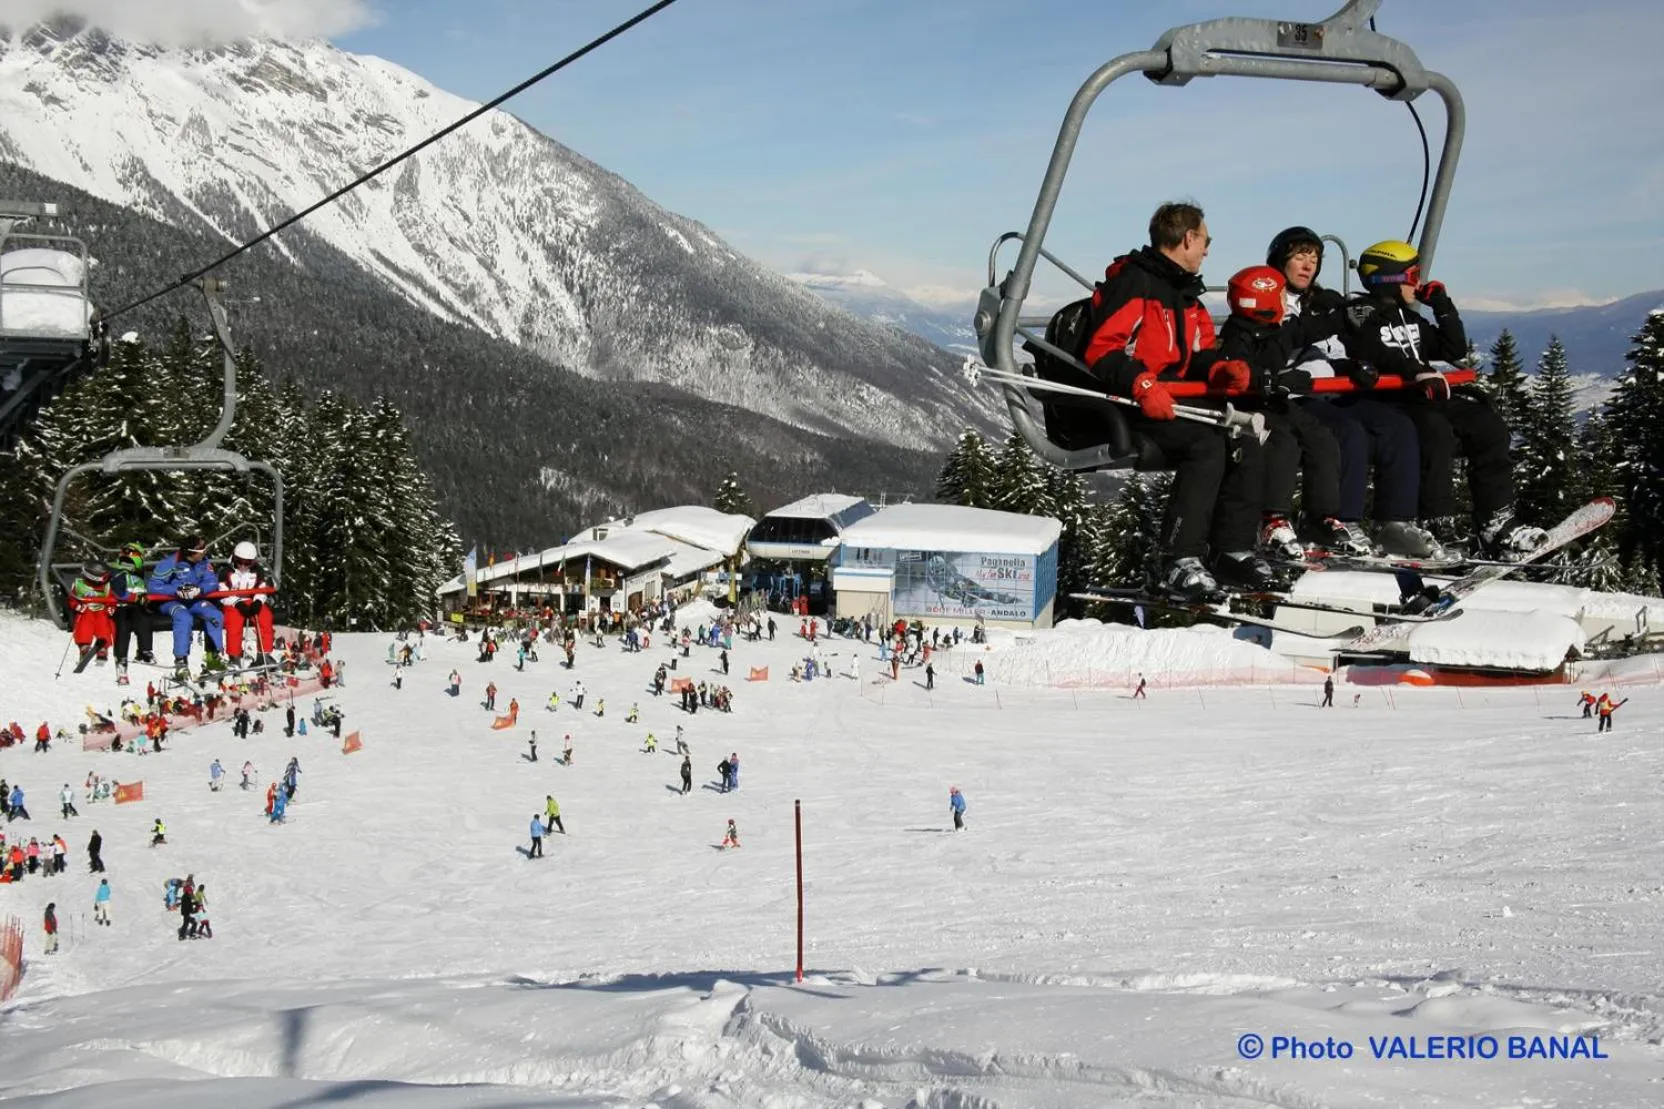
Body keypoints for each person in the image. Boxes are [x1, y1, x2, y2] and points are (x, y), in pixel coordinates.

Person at [1081, 201, 1275, 597]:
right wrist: (1142, 384)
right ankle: (1177, 557)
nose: (1207, 250)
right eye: (1205, 240)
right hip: (1136, 403)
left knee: (1245, 436)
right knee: (1205, 444)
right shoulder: (1137, 284)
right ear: (1188, 238)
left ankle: (1231, 548)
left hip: (1178, 397)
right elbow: (1103, 349)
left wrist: (1220, 370)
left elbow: (1199, 353)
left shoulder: (1186, 296)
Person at [1345, 240, 1546, 558]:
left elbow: (1453, 350)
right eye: (1412, 276)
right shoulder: (1361, 314)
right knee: (1434, 431)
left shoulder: (1408, 318)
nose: (1418, 283)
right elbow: (1371, 350)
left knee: (1486, 423)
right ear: (1390, 279)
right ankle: (1437, 520)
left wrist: (1441, 305)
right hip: (1388, 400)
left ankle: (1496, 519)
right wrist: (1415, 370)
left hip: (1421, 396)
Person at [1265, 227, 1437, 558]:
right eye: (1300, 256)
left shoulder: (1322, 301)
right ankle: (1338, 521)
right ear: (1280, 260)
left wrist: (1355, 363)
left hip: (1334, 387)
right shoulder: (1272, 300)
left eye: (1314, 258)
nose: (1308, 265)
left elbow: (1339, 344)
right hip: (1298, 394)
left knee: (1395, 426)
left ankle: (1395, 522)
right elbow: (1285, 345)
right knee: (1348, 432)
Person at [1217, 264, 1345, 563]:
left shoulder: (1278, 330)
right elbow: (1243, 371)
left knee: (1320, 436)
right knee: (1282, 443)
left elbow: (1309, 329)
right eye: (1280, 296)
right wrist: (1276, 380)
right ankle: (1273, 520)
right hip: (1253, 405)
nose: (1284, 303)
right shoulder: (1240, 334)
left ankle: (1321, 516)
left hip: (1276, 400)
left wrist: (1343, 312)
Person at [148, 535, 226, 676]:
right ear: (190, 551)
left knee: (215, 614)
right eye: (201, 549)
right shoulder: (170, 563)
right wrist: (176, 591)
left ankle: (213, 655)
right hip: (171, 601)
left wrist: (200, 589)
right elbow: (154, 586)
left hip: (194, 600)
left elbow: (212, 582)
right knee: (183, 617)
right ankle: (181, 660)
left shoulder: (203, 562)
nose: (204, 552)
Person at [219, 541, 276, 666]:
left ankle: (263, 655)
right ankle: (234, 657)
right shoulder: (226, 572)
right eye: (240, 561)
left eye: (248, 563)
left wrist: (258, 601)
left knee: (265, 617)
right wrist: (237, 603)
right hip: (232, 602)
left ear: (253, 562)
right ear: (234, 558)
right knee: (234, 622)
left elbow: (262, 589)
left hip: (251, 600)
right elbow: (222, 593)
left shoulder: (257, 572)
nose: (243, 566)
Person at [110, 542, 157, 683]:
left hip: (135, 607)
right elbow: (117, 592)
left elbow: (142, 590)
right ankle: (121, 660)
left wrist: (144, 599)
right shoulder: (116, 572)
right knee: (123, 627)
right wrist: (135, 597)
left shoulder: (138, 575)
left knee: (143, 621)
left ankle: (145, 650)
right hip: (119, 607)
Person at [66, 559, 117, 665]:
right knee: (84, 621)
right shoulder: (79, 585)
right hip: (86, 608)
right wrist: (77, 606)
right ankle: (84, 645)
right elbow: (72, 599)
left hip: (101, 609)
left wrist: (111, 608)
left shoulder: (107, 587)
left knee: (104, 622)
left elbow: (112, 599)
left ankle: (102, 647)